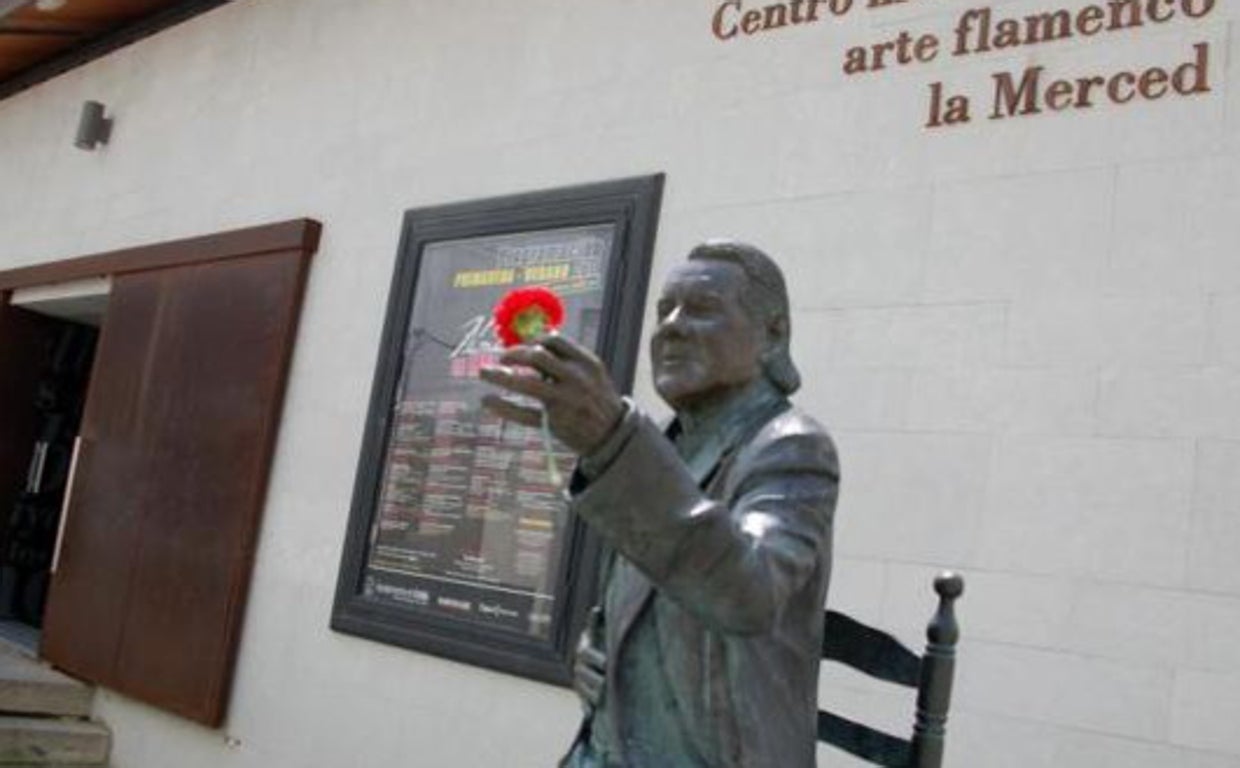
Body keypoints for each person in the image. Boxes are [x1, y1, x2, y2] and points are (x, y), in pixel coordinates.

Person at [481, 240, 840, 768]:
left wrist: (613, 442)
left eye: (702, 309)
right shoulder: (671, 443)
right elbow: (639, 590)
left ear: (773, 333)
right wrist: (598, 651)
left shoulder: (790, 445)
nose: (671, 326)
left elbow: (750, 594)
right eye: (664, 311)